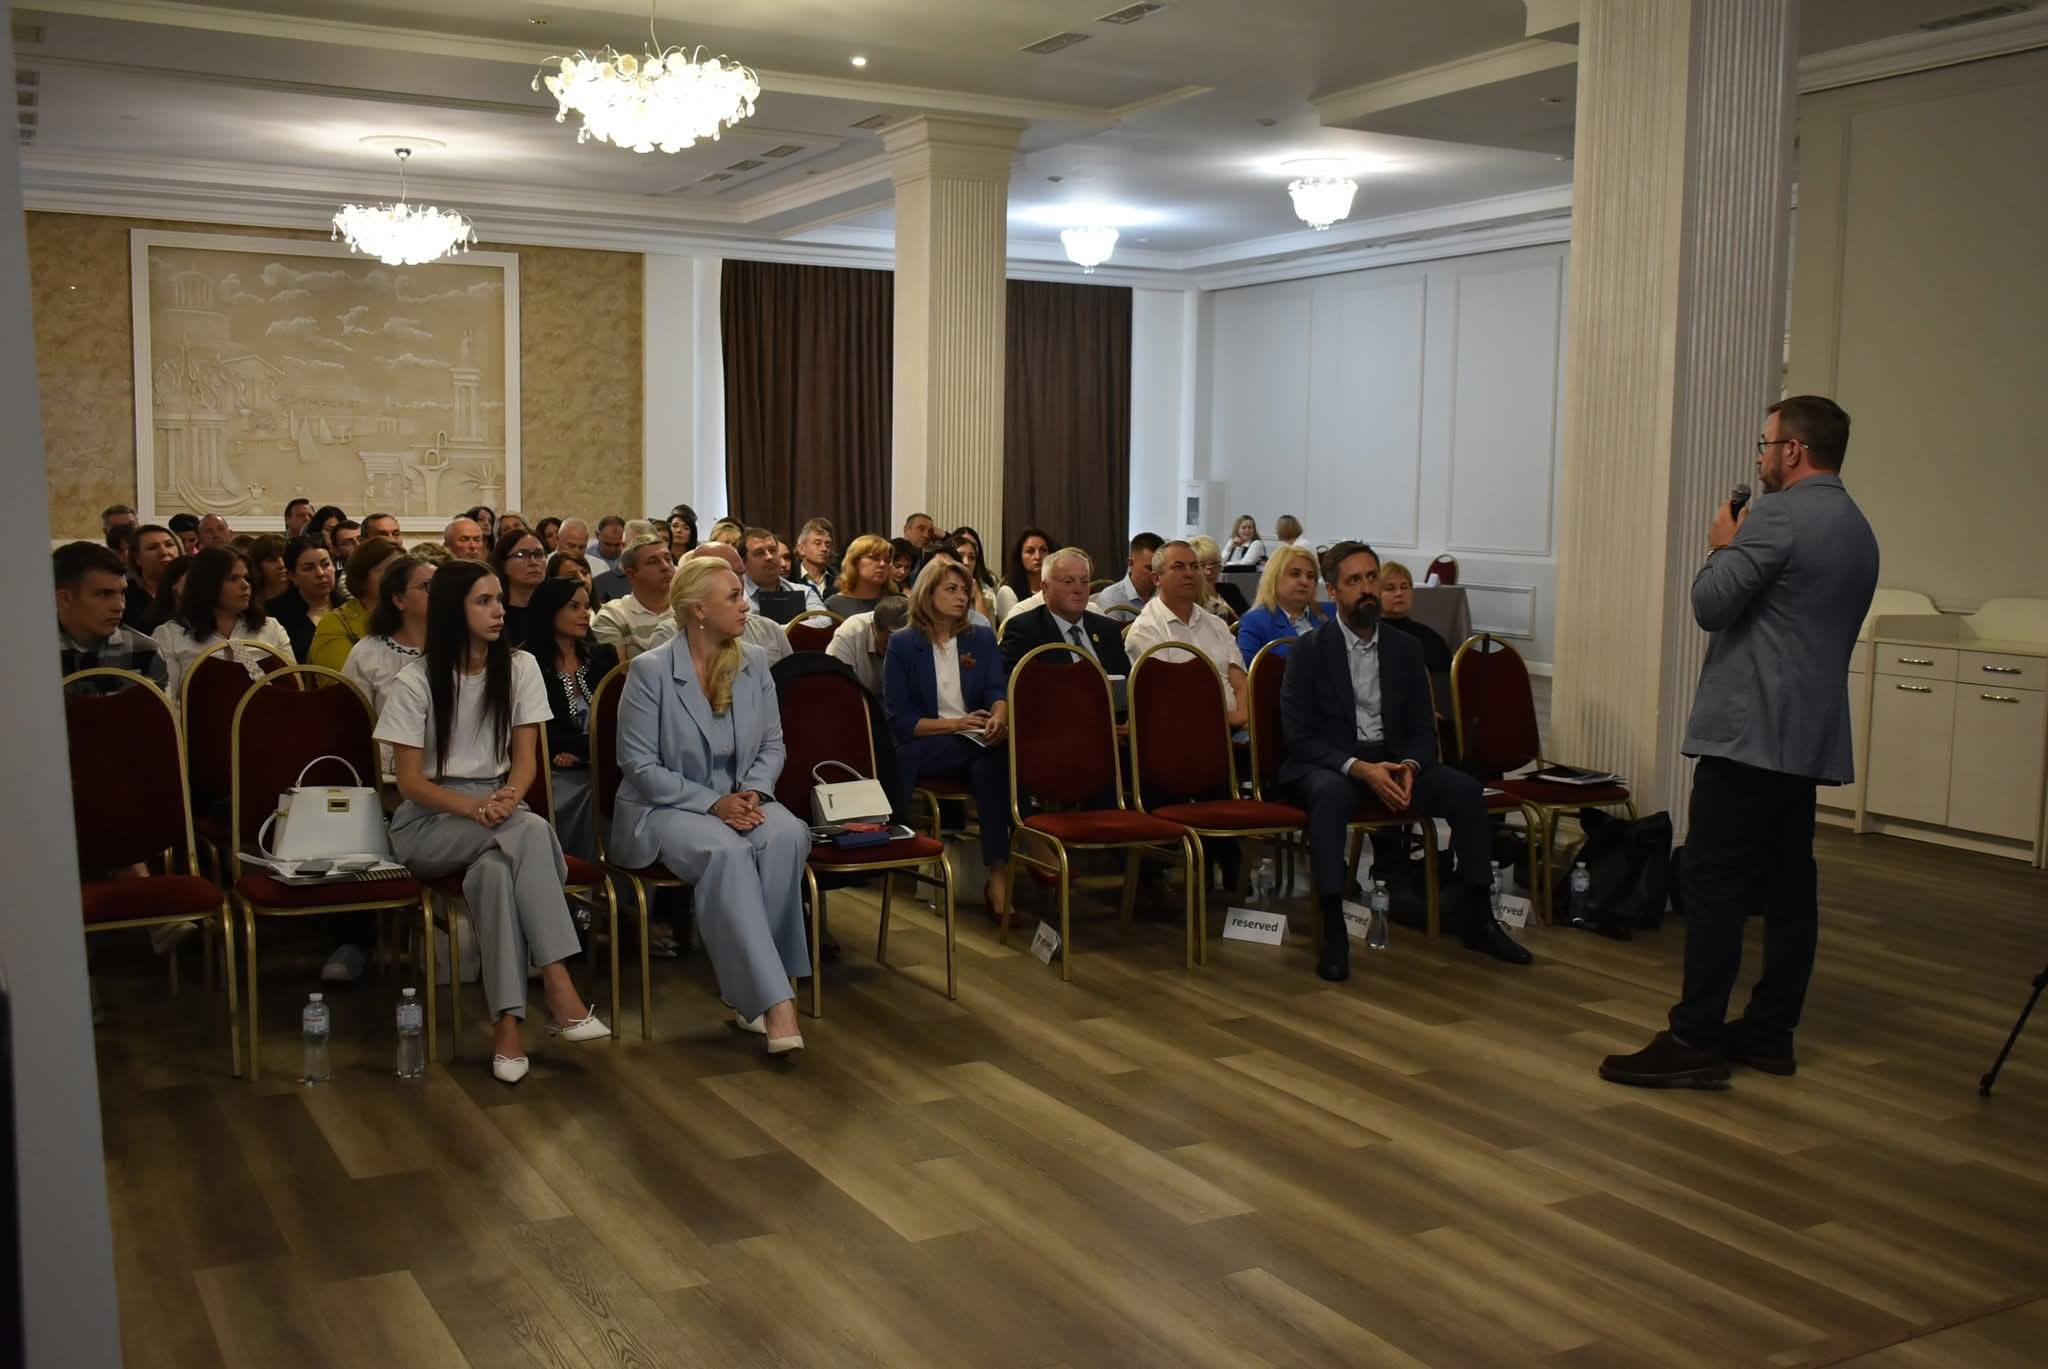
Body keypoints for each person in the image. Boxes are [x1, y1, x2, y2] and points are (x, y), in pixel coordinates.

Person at [1601, 396, 1879, 1090]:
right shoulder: (1857, 527)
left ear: (1794, 451)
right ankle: (1770, 1031)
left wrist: (1720, 545)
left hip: (1748, 732)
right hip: (1806, 736)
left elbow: (1710, 604)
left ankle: (1694, 1037)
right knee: (1789, 885)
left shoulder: (1778, 516)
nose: (1759, 458)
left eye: (1765, 444)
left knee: (1713, 882)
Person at [377, 559, 610, 1082]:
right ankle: (558, 983)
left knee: (497, 874)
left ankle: (507, 1029)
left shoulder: (520, 667)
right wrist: (476, 809)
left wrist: (507, 796)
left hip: (500, 808)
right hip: (431, 820)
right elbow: (409, 784)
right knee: (532, 831)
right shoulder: (415, 680)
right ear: (451, 610)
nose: (498, 610)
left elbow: (526, 760)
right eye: (483, 601)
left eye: (499, 599)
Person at [1281, 541, 1528, 982]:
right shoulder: (1308, 651)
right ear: (1332, 592)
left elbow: (1422, 728)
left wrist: (1411, 765)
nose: (1367, 589)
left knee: (1465, 790)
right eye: (1353, 581)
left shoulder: (1405, 648)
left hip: (1396, 761)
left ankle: (1479, 916)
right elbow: (1299, 737)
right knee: (1329, 795)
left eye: (1371, 578)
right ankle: (1334, 925)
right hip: (1334, 764)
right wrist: (1359, 768)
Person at [612, 556, 810, 1054]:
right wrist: (713, 803)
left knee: (788, 834)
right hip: (666, 807)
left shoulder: (755, 661)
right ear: (698, 610)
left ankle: (754, 994)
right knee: (727, 851)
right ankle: (775, 1001)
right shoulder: (650, 671)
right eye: (734, 597)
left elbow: (773, 744)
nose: (746, 606)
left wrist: (754, 791)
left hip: (742, 796)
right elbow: (638, 765)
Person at [884, 557, 1011, 920]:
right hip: (923, 744)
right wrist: (958, 724)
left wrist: (999, 716)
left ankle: (997, 872)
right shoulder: (903, 643)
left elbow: (996, 688)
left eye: (965, 591)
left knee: (988, 764)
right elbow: (901, 722)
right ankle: (1014, 854)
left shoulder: (980, 637)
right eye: (951, 590)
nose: (961, 598)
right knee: (995, 757)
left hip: (974, 741)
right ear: (928, 593)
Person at [524, 575, 616, 861]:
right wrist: (584, 751)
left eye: (586, 606)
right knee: (581, 791)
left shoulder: (603, 657)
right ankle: (574, 872)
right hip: (552, 767)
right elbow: (542, 732)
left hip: (604, 761)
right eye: (574, 607)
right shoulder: (527, 663)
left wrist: (584, 754)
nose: (585, 614)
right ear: (550, 610)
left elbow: (616, 722)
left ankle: (615, 874)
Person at [1124, 541, 1248, 728]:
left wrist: (1241, 718)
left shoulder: (1216, 624)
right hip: (1181, 731)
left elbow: (1240, 683)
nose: (1189, 573)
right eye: (1178, 567)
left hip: (1234, 729)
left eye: (1195, 566)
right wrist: (1226, 720)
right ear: (1156, 578)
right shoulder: (1145, 631)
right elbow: (1167, 700)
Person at [151, 546, 295, 699]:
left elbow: (293, 689)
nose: (245, 585)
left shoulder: (271, 628)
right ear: (207, 584)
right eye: (233, 578)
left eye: (246, 578)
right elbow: (166, 702)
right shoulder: (169, 636)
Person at [999, 546, 1132, 678]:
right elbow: (1015, 685)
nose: (1078, 589)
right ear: (1045, 588)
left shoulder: (1108, 629)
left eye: (1084, 581)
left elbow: (1125, 682)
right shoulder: (1024, 630)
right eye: (1068, 582)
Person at [56, 542, 170, 695]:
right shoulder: (31, 654)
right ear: (65, 598)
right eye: (104, 594)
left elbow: (159, 710)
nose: (120, 606)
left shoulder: (144, 651)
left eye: (122, 593)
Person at [342, 554, 434, 728]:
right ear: (399, 599)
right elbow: (352, 725)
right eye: (428, 586)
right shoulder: (367, 654)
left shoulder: (459, 647)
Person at [309, 537, 401, 673]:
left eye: (403, 571)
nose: (400, 578)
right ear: (362, 578)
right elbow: (342, 683)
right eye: (388, 570)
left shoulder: (413, 616)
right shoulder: (337, 624)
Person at [690, 543, 792, 665]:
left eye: (740, 573)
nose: (737, 582)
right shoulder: (672, 636)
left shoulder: (770, 630)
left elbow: (791, 675)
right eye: (726, 574)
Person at [1236, 543, 1330, 662]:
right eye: (1295, 574)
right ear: (1274, 578)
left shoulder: (1331, 613)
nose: (1304, 581)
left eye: (1310, 576)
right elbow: (1249, 670)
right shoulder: (1255, 621)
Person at [590, 534, 677, 660]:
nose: (665, 566)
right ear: (631, 575)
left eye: (668, 559)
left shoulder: (689, 609)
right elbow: (618, 671)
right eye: (653, 562)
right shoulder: (612, 616)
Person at [265, 535, 344, 664]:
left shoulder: (349, 608)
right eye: (309, 568)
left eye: (325, 565)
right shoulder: (274, 615)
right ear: (292, 575)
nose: (321, 573)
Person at [825, 594, 909, 698]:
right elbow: (835, 685)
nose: (892, 653)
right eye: (886, 647)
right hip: (858, 700)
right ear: (873, 627)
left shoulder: (921, 632)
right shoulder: (850, 633)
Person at [741, 526, 824, 616]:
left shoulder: (804, 592)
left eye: (773, 550)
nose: (769, 557)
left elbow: (824, 619)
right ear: (743, 562)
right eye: (759, 552)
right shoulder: (736, 596)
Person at [490, 527, 549, 645]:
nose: (533, 562)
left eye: (539, 554)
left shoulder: (556, 611)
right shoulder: (494, 614)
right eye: (522, 554)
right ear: (503, 564)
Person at [123, 523, 181, 631]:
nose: (164, 552)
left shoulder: (195, 590)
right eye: (152, 547)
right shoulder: (125, 595)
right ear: (137, 558)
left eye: (169, 545)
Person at [1093, 532, 1164, 615]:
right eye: (1150, 568)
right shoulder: (1111, 598)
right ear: (1131, 563)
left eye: (1160, 568)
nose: (1156, 574)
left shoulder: (1168, 595)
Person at [827, 534, 895, 618]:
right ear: (854, 562)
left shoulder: (898, 603)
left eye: (887, 560)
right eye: (874, 558)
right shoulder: (834, 604)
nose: (882, 564)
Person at [591, 518, 657, 603]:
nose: (645, 553)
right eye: (638, 547)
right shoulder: (600, 583)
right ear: (623, 546)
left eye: (650, 548)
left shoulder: (662, 580)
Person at [995, 527, 1053, 621]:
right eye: (1030, 551)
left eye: (1043, 550)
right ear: (1020, 556)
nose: (1038, 557)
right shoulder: (1008, 591)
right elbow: (1015, 625)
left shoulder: (1057, 588)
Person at [944, 530, 998, 624]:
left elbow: (986, 631)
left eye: (971, 557)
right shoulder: (938, 591)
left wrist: (978, 597)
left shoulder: (987, 597)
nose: (966, 562)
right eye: (960, 556)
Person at [1189, 535, 1241, 625]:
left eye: (1214, 564)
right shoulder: (1188, 597)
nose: (1208, 572)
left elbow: (1247, 619)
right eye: (1202, 565)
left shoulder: (1231, 589)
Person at [793, 518, 835, 601]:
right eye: (817, 543)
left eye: (827, 544)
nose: (824, 549)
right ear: (801, 549)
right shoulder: (790, 579)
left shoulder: (840, 580)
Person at [245, 534, 290, 605]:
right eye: (272, 560)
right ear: (257, 564)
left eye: (284, 558)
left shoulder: (301, 597)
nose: (281, 565)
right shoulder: (248, 601)